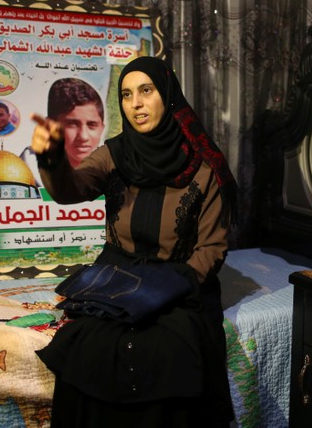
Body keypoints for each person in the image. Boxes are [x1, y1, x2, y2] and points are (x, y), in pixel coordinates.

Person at [31, 56, 238, 427]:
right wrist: (51, 159)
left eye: (146, 91)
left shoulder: (206, 166)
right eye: (126, 95)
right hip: (117, 275)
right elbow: (70, 188)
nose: (136, 104)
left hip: (179, 281)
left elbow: (211, 248)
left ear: (168, 95)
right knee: (87, 343)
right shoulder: (115, 153)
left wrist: (168, 289)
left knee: (172, 346)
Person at [20, 77, 106, 185]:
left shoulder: (109, 166)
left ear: (102, 128)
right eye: (72, 124)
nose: (83, 136)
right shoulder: (25, 172)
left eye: (92, 125)